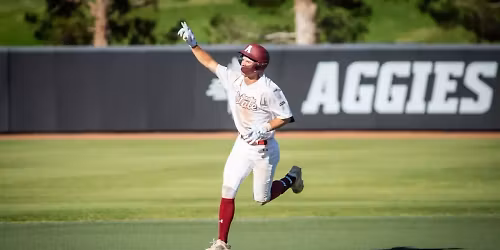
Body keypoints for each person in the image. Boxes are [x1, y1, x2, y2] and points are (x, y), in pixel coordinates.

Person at [177, 21, 304, 250]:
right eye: (243, 57)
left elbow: (286, 117)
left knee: (262, 198)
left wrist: (265, 127)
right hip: (242, 145)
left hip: (264, 150)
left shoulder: (269, 89)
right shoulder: (235, 79)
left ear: (259, 66)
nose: (242, 61)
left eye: (247, 59)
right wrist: (193, 44)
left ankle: (291, 178)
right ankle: (221, 243)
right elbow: (209, 63)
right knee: (228, 188)